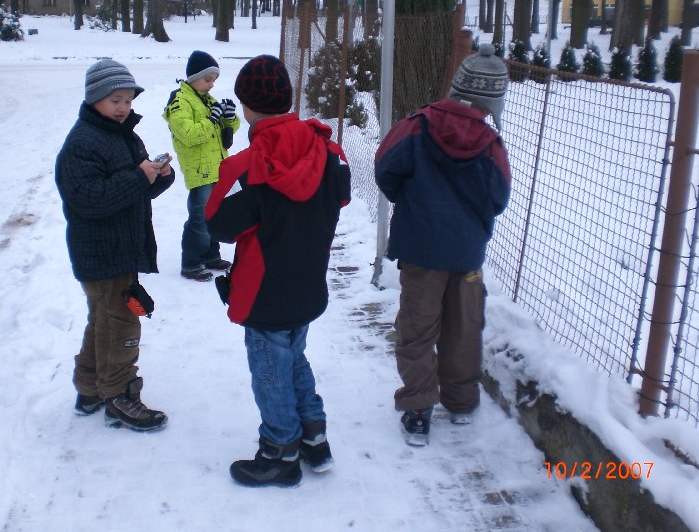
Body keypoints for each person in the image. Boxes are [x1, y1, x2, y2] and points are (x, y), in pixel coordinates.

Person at [205, 55, 351, 487]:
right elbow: (340, 197)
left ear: (247, 108)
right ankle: (313, 435)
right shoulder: (329, 152)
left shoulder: (244, 167)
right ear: (287, 99)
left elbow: (218, 224)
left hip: (263, 293)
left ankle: (280, 449)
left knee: (270, 372)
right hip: (307, 284)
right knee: (294, 358)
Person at [374, 44, 511, 446]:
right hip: (466, 253)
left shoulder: (417, 126)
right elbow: (498, 197)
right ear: (491, 101)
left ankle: (418, 410)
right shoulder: (489, 145)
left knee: (417, 327)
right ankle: (462, 401)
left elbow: (386, 168)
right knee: (464, 327)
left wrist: (413, 201)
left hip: (420, 248)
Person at [56, 58, 174, 433]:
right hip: (101, 252)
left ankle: (90, 389)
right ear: (95, 100)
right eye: (115, 100)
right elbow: (90, 199)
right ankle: (119, 395)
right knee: (121, 323)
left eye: (128, 100)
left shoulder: (120, 133)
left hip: (119, 248)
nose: (123, 108)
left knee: (104, 320)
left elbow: (133, 187)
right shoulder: (82, 144)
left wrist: (156, 177)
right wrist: (138, 177)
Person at [162, 50, 241, 282]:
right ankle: (191, 263)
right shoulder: (180, 102)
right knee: (200, 218)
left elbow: (226, 129)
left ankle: (211, 256)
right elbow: (188, 134)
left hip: (217, 167)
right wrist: (212, 119)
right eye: (208, 79)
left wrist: (229, 117)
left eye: (214, 80)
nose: (212, 85)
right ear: (194, 76)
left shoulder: (205, 100)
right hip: (199, 171)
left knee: (215, 215)